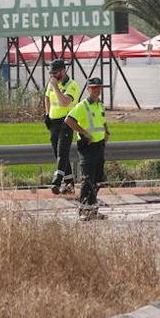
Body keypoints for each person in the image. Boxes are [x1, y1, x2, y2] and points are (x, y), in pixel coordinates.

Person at [64, 77, 108, 221]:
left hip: (99, 145)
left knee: (98, 179)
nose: (96, 90)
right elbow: (69, 120)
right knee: (88, 179)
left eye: (98, 87)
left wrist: (106, 132)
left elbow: (101, 121)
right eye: (93, 88)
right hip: (87, 146)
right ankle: (83, 210)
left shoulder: (100, 105)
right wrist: (83, 132)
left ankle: (93, 210)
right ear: (88, 89)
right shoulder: (82, 106)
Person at [44, 60, 81, 195]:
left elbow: (64, 102)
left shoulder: (72, 85)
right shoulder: (52, 82)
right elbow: (47, 98)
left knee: (62, 152)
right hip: (53, 122)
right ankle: (69, 183)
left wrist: (56, 87)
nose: (53, 76)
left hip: (66, 122)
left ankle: (56, 182)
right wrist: (47, 114)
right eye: (51, 73)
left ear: (63, 71)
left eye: (55, 73)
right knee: (57, 153)